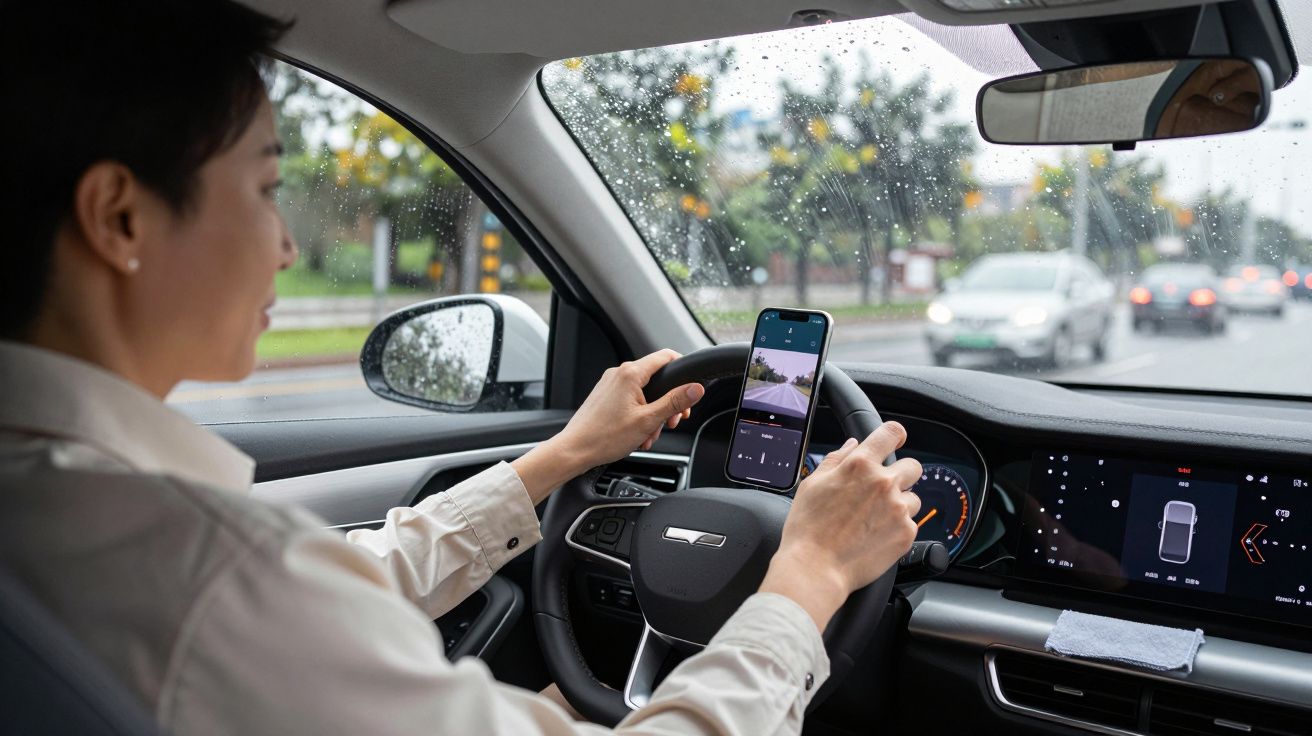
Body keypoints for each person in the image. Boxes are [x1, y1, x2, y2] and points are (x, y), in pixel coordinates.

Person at [0, 2, 923, 734]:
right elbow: (272, 591)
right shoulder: (206, 573)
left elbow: (345, 574)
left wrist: (559, 459)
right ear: (120, 218)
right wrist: (806, 576)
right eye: (264, 188)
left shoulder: (85, 521)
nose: (284, 244)